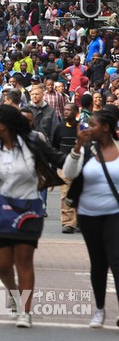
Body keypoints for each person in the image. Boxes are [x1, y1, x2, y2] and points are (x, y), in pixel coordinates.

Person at [0, 104, 65, 329]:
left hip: (29, 209)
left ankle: (25, 311)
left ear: (4, 125)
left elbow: (59, 159)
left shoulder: (32, 142)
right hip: (1, 208)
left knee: (24, 261)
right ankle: (12, 291)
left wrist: (81, 157)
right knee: (2, 265)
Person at [63, 106, 119, 328]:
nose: (88, 128)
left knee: (116, 260)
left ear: (105, 128)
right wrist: (77, 145)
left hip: (115, 213)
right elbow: (68, 173)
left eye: (93, 125)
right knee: (98, 262)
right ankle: (99, 309)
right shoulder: (86, 149)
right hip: (88, 214)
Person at [51, 103, 79, 234]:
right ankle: (68, 223)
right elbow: (54, 147)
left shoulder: (82, 128)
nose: (66, 112)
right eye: (65, 110)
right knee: (65, 195)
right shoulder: (59, 128)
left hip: (80, 167)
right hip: (64, 168)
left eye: (69, 110)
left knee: (80, 194)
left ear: (76, 112)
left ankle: (79, 221)